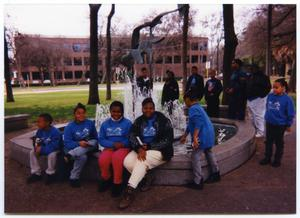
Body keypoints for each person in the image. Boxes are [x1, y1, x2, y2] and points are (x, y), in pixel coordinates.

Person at [119, 97, 174, 209]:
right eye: (145, 108)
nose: (148, 110)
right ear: (142, 109)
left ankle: (129, 192)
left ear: (154, 108)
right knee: (127, 162)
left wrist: (149, 146)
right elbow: (132, 136)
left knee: (141, 161)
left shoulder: (163, 120)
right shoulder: (139, 121)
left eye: (151, 108)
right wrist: (139, 148)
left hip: (160, 151)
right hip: (142, 149)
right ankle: (147, 177)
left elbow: (168, 140)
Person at [180, 91, 220, 190]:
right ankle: (216, 173)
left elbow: (198, 123)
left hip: (203, 135)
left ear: (188, 99)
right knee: (208, 151)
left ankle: (198, 181)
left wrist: (194, 137)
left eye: (185, 100)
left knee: (195, 156)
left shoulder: (192, 109)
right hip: (209, 134)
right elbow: (191, 124)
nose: (185, 103)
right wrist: (185, 135)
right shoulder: (198, 107)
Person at [98, 101, 132, 197]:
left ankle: (117, 183)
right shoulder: (105, 124)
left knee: (117, 158)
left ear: (122, 112)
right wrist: (112, 144)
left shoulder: (128, 123)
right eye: (114, 111)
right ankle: (106, 178)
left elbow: (130, 138)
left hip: (123, 147)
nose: (116, 114)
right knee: (103, 159)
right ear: (110, 111)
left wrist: (122, 144)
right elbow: (101, 139)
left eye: (119, 112)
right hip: (110, 147)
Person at [259, 78, 295, 167]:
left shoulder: (287, 99)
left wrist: (288, 124)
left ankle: (277, 160)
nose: (274, 89)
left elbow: (290, 113)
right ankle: (267, 157)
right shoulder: (270, 96)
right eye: (273, 87)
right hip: (269, 123)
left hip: (280, 125)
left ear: (283, 88)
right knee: (268, 141)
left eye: (276, 87)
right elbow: (267, 106)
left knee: (279, 143)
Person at [63, 103, 98, 187]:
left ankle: (70, 155)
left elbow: (95, 137)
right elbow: (67, 143)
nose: (81, 115)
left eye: (83, 113)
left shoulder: (90, 123)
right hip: (73, 147)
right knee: (82, 157)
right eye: (78, 113)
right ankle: (74, 178)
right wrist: (79, 143)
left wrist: (87, 143)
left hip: (87, 145)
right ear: (74, 114)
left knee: (94, 142)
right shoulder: (69, 127)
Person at [27, 113, 61, 185]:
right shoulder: (40, 131)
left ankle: (50, 174)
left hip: (55, 149)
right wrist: (36, 147)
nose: (37, 123)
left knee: (52, 155)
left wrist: (41, 149)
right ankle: (36, 173)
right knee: (32, 152)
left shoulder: (55, 132)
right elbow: (37, 140)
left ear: (47, 122)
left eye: (39, 121)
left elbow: (54, 146)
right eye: (37, 121)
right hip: (44, 148)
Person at [246, 64, 271, 137]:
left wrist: (261, 96)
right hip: (250, 98)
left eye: (252, 68)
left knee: (258, 115)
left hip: (258, 98)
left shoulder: (263, 77)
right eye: (250, 68)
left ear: (256, 69)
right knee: (251, 115)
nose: (250, 70)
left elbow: (267, 87)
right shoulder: (250, 76)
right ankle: (254, 130)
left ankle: (260, 131)